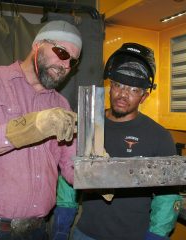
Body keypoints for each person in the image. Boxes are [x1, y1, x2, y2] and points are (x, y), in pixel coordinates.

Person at [0, 20, 82, 240]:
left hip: (37, 230)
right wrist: (28, 127)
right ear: (37, 45)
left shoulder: (61, 105)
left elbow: (70, 165)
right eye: (61, 52)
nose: (66, 65)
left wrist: (104, 173)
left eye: (73, 61)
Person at [72, 43, 183, 240]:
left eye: (133, 89)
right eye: (119, 85)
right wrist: (62, 223)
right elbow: (70, 175)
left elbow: (167, 196)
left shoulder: (159, 136)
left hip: (133, 235)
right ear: (110, 87)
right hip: (85, 233)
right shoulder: (89, 126)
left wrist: (157, 235)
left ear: (144, 96)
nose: (123, 94)